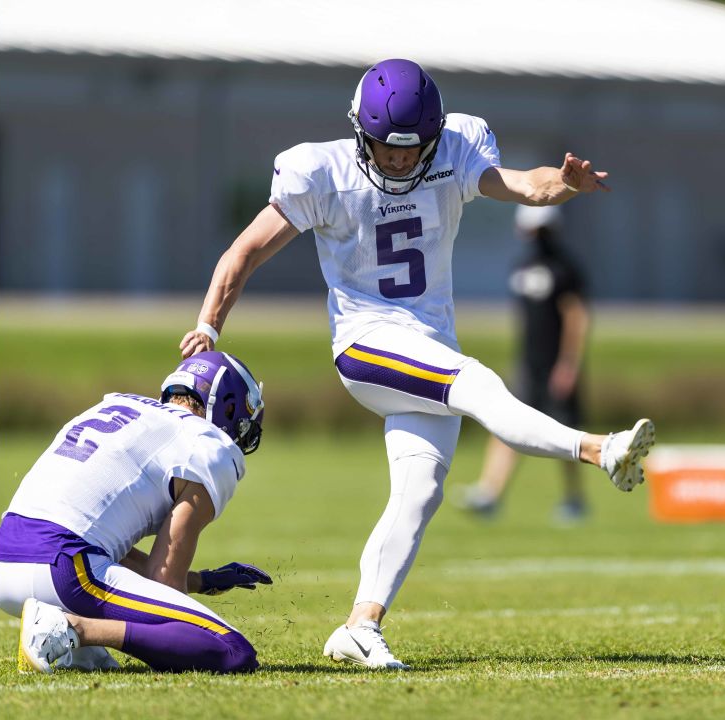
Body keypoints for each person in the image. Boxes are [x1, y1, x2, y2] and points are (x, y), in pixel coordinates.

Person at [177, 59, 655, 670]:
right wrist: (208, 324)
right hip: (365, 343)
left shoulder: (456, 149)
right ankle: (601, 451)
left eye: (413, 148)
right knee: (477, 383)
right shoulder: (319, 173)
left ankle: (359, 625)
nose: (402, 161)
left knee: (419, 492)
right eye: (388, 148)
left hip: (429, 341)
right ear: (360, 133)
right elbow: (243, 252)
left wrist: (562, 185)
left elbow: (522, 185)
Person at [0, 351, 272, 674]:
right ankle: (72, 629)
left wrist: (201, 581)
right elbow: (164, 579)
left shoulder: (114, 407)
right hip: (64, 571)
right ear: (228, 405)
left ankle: (78, 644)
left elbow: (97, 537)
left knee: (95, 564)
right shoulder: (209, 445)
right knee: (232, 650)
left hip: (2, 565)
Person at [459, 204, 592, 523]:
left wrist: (568, 363)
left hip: (556, 364)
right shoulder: (521, 267)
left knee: (565, 430)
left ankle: (574, 499)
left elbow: (576, 317)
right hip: (528, 363)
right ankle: (490, 492)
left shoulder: (565, 268)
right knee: (505, 423)